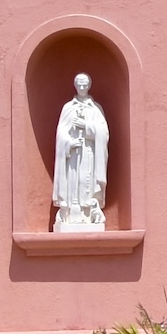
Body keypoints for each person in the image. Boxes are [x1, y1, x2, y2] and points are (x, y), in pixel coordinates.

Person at [52, 73, 109, 232]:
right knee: (73, 182)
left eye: (85, 84)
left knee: (87, 182)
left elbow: (104, 133)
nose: (82, 87)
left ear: (89, 85)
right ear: (75, 85)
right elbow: (61, 133)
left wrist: (86, 126)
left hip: (89, 154)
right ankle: (70, 212)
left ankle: (88, 213)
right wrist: (69, 143)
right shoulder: (68, 108)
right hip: (73, 155)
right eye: (79, 85)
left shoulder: (96, 109)